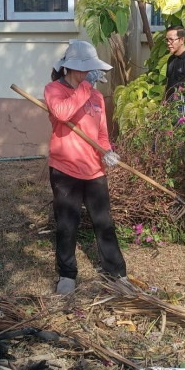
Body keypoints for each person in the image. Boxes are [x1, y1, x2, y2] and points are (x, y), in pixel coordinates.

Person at [44, 40, 127, 295]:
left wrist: (106, 152)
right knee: (67, 224)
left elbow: (101, 133)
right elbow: (62, 114)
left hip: (94, 170)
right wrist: (85, 86)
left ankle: (117, 273)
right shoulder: (54, 90)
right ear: (72, 67)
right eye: (86, 68)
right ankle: (67, 274)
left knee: (104, 222)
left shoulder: (96, 96)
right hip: (65, 169)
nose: (90, 72)